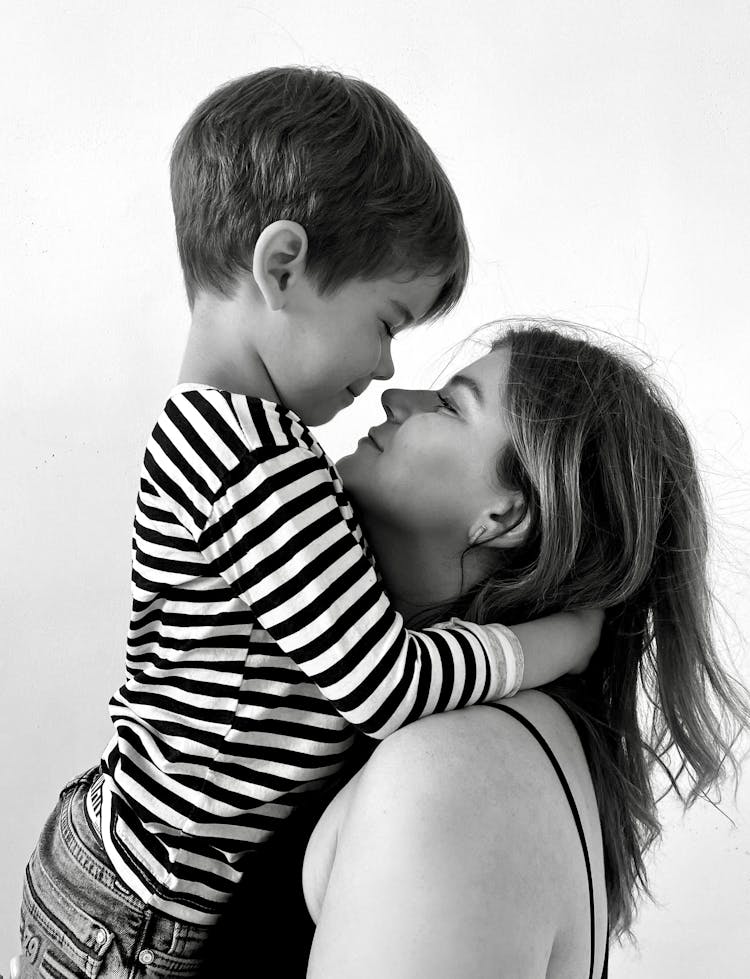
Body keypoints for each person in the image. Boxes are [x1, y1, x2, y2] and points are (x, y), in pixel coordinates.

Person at [17, 72, 600, 978]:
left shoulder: (249, 448)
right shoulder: (250, 462)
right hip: (139, 897)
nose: (383, 367)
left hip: (133, 878)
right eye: (385, 321)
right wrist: (550, 644)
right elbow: (383, 683)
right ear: (281, 266)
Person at [299, 322, 749, 978]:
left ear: (507, 517)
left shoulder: (450, 770)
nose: (396, 397)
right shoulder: (484, 738)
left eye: (451, 405)